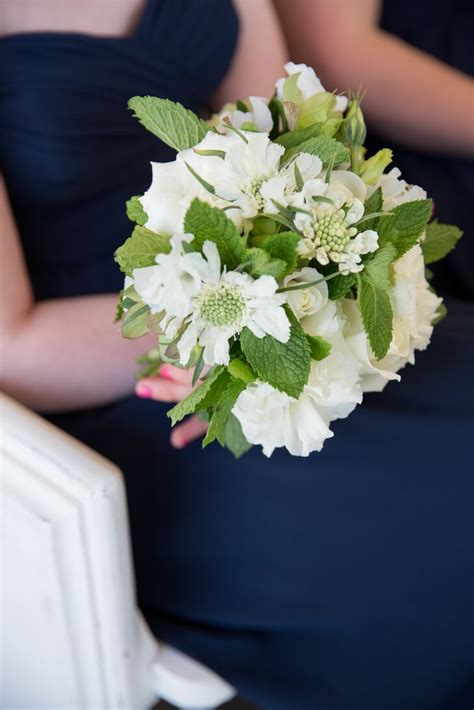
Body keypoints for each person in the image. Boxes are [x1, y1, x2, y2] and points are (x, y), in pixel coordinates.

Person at [1, 2, 472, 710]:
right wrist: (220, 331)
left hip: (278, 318)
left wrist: (319, 282)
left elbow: (289, 140)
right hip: (126, 395)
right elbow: (14, 349)